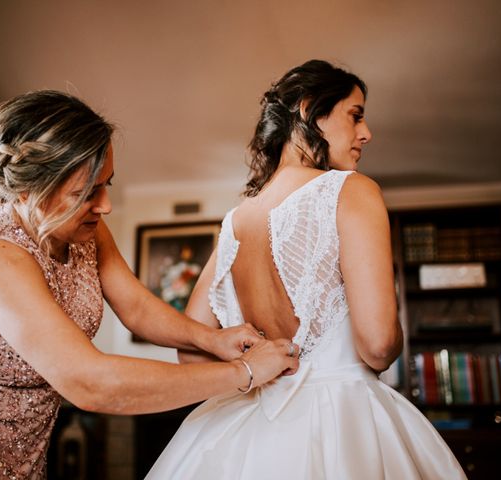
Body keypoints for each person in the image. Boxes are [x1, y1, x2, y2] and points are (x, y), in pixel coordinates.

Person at [0, 90, 300, 479]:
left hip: (27, 452)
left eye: (107, 183)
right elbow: (91, 383)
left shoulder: (83, 230)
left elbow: (137, 308)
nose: (105, 204)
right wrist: (243, 372)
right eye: (87, 192)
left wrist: (212, 340)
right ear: (27, 190)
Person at [146, 60, 467, 479]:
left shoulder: (234, 223)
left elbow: (190, 355)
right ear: (310, 108)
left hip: (245, 433)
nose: (366, 133)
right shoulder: (352, 191)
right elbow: (377, 343)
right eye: (356, 114)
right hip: (341, 421)